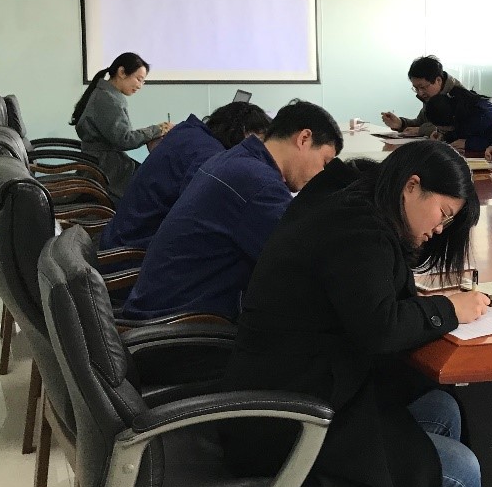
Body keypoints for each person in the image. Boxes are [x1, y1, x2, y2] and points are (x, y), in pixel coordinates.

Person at [220, 140, 492, 487]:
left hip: (310, 386)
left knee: (439, 408)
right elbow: (379, 329)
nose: (440, 229)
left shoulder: (354, 203)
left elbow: (369, 302)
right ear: (412, 186)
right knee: (457, 468)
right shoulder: (355, 227)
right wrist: (447, 310)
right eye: (443, 214)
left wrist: (427, 305)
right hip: (288, 415)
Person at [120, 100, 342, 327]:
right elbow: (303, 266)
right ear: (304, 138)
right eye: (324, 162)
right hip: (181, 329)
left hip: (159, 310)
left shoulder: (235, 159)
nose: (321, 174)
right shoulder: (258, 184)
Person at [99, 101, 271, 252]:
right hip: (133, 251)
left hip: (121, 235)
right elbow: (203, 218)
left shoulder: (189, 131)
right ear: (245, 132)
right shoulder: (207, 156)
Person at [70, 52, 172, 199]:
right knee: (158, 185)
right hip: (105, 169)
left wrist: (156, 130)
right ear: (122, 72)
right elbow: (125, 140)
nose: (140, 86)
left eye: (143, 82)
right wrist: (159, 129)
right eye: (138, 79)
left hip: (101, 163)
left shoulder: (105, 94)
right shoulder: (108, 99)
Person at [380, 56, 464, 137]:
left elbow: (456, 127)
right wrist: (400, 123)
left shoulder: (459, 95)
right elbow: (421, 122)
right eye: (416, 88)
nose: (420, 93)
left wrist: (422, 130)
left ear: (438, 80)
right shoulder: (431, 96)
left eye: (423, 87)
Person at [423, 87, 492, 157]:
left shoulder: (484, 116)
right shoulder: (456, 111)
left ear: (451, 120)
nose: (439, 129)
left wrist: (469, 143)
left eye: (441, 128)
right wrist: (443, 136)